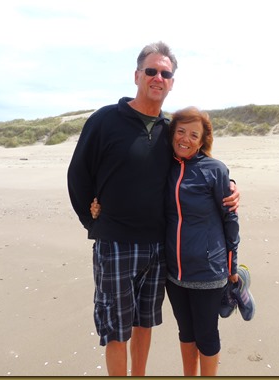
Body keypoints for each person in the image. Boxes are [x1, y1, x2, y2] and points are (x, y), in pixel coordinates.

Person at [67, 41, 240, 376]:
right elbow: (78, 175)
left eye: (165, 73)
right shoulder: (105, 120)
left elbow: (197, 168)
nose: (158, 77)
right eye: (151, 71)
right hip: (115, 244)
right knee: (116, 329)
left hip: (158, 248)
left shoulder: (168, 131)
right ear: (137, 75)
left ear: (172, 82)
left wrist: (230, 188)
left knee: (144, 324)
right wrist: (91, 220)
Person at [164, 106, 240, 376]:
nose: (185, 139)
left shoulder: (215, 170)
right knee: (186, 332)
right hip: (173, 272)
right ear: (172, 132)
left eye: (193, 135)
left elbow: (230, 220)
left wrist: (232, 267)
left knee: (206, 334)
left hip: (208, 270)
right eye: (181, 131)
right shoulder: (164, 168)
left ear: (202, 140)